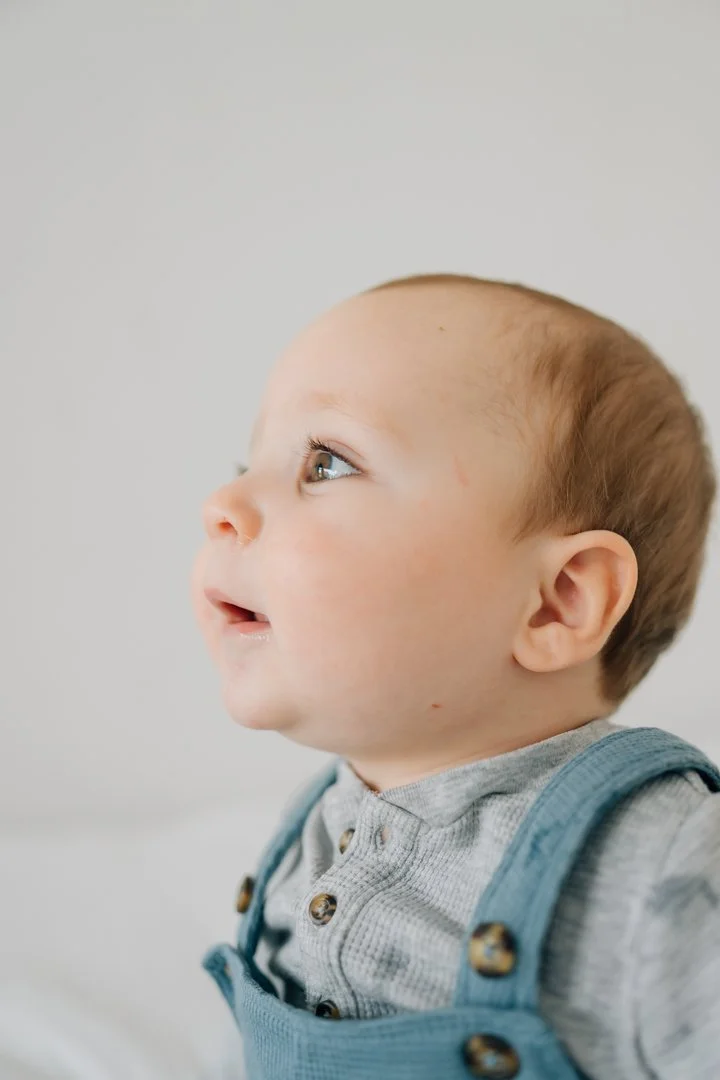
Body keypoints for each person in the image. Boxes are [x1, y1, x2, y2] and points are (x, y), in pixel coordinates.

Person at [192, 274, 720, 1079]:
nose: (223, 503)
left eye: (326, 463)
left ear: (556, 602)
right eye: (247, 462)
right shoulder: (314, 831)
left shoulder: (667, 865)